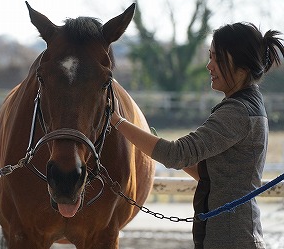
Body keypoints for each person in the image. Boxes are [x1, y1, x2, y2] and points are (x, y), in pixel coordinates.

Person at [111, 22, 284, 249]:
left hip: (231, 240)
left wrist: (116, 120)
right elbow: (211, 175)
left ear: (240, 64)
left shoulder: (237, 111)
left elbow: (175, 154)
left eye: (216, 58)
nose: (209, 65)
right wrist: (154, 141)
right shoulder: (249, 103)